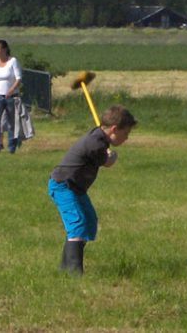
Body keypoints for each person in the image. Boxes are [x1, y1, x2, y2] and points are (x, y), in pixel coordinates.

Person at [48, 105, 137, 275]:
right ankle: (74, 272)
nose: (126, 138)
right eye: (125, 133)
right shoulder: (95, 144)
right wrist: (112, 156)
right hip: (63, 185)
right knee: (78, 223)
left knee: (89, 221)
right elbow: (108, 163)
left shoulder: (99, 138)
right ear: (114, 129)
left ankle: (64, 267)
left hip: (77, 187)